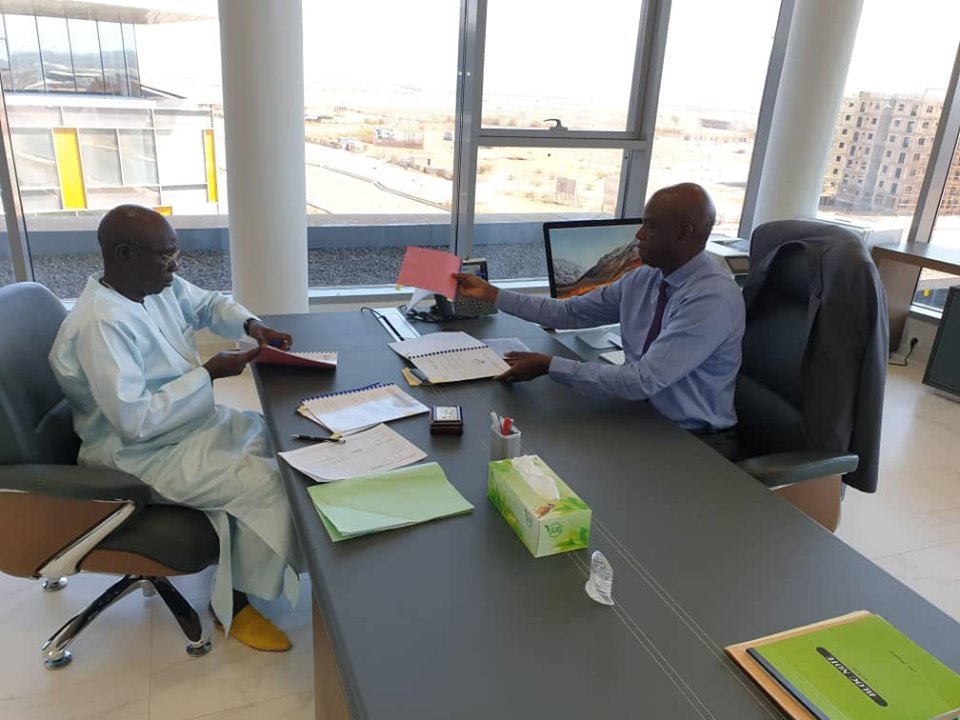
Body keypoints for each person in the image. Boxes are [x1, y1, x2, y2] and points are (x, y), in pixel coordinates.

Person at [49, 205, 301, 652]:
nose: (175, 266)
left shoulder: (151, 286)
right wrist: (208, 374)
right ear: (125, 254)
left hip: (187, 426)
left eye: (175, 253)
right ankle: (234, 604)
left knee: (286, 447)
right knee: (266, 484)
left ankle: (255, 563)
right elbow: (135, 421)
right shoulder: (99, 324)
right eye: (166, 256)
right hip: (139, 455)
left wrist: (251, 324)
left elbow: (207, 303)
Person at [455, 182, 745, 436]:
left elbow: (641, 381)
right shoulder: (644, 278)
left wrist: (549, 365)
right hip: (641, 417)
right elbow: (568, 313)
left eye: (651, 226)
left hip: (692, 439)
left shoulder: (711, 299)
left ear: (683, 234)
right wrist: (491, 294)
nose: (639, 234)